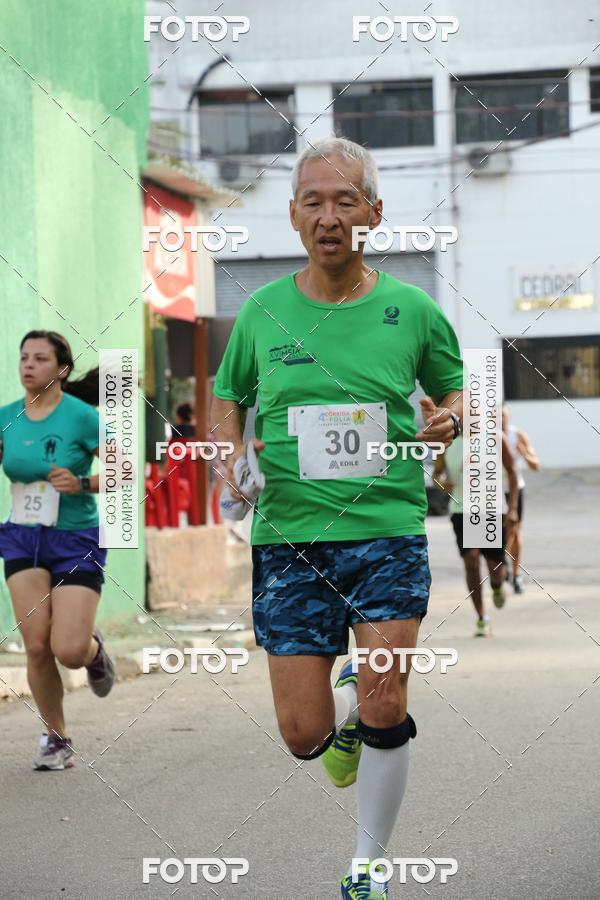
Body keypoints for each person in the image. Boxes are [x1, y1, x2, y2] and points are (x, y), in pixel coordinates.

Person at [211, 137, 464, 899]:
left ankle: (367, 866)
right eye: (313, 202)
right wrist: (228, 458)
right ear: (293, 217)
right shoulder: (261, 312)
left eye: (345, 200)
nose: (329, 216)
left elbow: (458, 392)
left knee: (389, 701)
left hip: (386, 531)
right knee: (303, 737)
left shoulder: (413, 310)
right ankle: (343, 717)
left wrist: (450, 419)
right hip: (290, 541)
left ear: (374, 213)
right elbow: (228, 401)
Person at [0, 330, 115, 771]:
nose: (28, 365)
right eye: (23, 357)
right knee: (35, 647)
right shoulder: (7, 417)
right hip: (21, 537)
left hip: (74, 538)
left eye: (40, 358)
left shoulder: (81, 417)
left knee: (67, 649)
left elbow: (123, 470)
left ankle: (93, 652)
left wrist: (83, 482)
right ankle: (56, 737)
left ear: (62, 370)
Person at [434, 433, 519, 636]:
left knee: (495, 569)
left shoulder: (496, 437)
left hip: (491, 510)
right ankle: (482, 617)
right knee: (471, 561)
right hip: (461, 510)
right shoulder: (448, 440)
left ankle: (497, 585)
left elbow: (513, 472)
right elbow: (437, 474)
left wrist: (513, 507)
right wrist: (441, 484)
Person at [502, 405, 540, 593]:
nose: (501, 420)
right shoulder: (484, 436)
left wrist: (524, 453)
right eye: (496, 417)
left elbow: (535, 465)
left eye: (504, 416)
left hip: (514, 490)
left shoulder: (517, 436)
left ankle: (515, 574)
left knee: (514, 531)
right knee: (494, 534)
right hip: (491, 490)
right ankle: (502, 566)